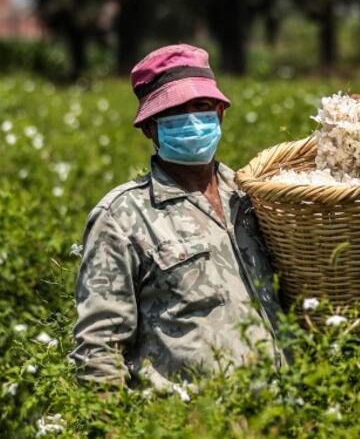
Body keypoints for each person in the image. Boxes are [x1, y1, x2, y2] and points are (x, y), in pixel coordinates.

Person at [71, 44, 283, 390]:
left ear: (220, 113)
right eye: (175, 111)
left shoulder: (253, 198)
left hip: (280, 417)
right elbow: (99, 347)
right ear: (149, 128)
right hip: (190, 421)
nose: (191, 120)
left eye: (200, 107)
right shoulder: (122, 217)